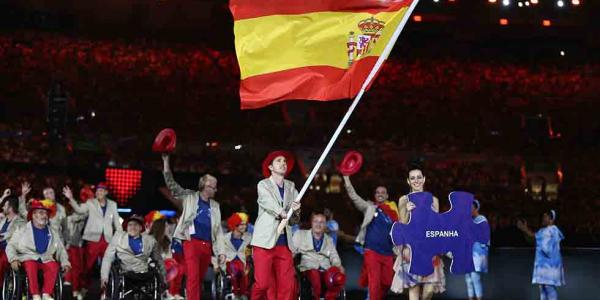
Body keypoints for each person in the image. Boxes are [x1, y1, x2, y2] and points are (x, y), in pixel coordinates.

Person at [162, 153, 225, 300]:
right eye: (213, 187)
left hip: (207, 245)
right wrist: (166, 162)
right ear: (205, 186)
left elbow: (219, 231)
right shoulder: (189, 197)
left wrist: (221, 251)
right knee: (193, 277)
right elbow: (171, 184)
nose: (216, 190)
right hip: (191, 242)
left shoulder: (216, 206)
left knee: (199, 278)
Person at [250, 150, 301, 300]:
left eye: (284, 161)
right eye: (278, 161)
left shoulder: (292, 187)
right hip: (264, 241)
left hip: (284, 243)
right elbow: (267, 202)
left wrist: (296, 212)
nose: (283, 163)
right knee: (263, 284)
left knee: (287, 286)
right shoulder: (263, 185)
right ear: (270, 167)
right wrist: (281, 211)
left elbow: (294, 220)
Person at [393, 165, 445, 300]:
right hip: (411, 249)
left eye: (419, 177)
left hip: (429, 249)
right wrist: (407, 211)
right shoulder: (404, 200)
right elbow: (402, 225)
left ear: (424, 179)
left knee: (428, 291)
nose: (416, 180)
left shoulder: (434, 200)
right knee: (414, 290)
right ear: (408, 181)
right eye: (412, 178)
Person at [343, 174, 398, 300]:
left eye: (383, 192)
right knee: (374, 283)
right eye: (377, 192)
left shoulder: (394, 213)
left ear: (387, 196)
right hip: (371, 250)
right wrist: (346, 178)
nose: (380, 194)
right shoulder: (369, 208)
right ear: (375, 195)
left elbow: (399, 232)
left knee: (387, 282)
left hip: (388, 253)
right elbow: (354, 196)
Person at [6, 199, 71, 300]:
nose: (44, 216)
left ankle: (46, 294)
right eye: (41, 213)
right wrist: (13, 259)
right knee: (31, 265)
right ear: (33, 215)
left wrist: (65, 262)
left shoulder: (53, 232)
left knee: (54, 266)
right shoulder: (22, 229)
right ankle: (35, 294)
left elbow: (61, 250)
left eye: (46, 213)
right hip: (28, 257)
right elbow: (10, 246)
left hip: (45, 258)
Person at [63, 183, 121, 290]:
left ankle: (105, 290)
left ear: (106, 192)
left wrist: (120, 235)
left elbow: (116, 221)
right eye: (98, 191)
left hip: (107, 239)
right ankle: (84, 286)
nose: (99, 193)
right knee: (88, 267)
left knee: (107, 266)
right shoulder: (91, 203)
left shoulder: (113, 204)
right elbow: (79, 210)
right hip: (93, 239)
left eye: (102, 191)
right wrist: (71, 198)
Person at [100, 214, 167, 291]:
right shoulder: (118, 238)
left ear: (141, 228)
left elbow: (158, 260)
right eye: (130, 225)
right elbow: (108, 257)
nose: (133, 227)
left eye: (136, 225)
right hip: (126, 271)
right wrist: (104, 277)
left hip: (144, 272)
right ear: (126, 227)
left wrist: (164, 278)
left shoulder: (150, 241)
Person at [293, 212, 345, 300]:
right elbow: (292, 252)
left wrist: (338, 267)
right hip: (307, 269)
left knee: (339, 277)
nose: (318, 224)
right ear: (311, 223)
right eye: (316, 221)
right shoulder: (300, 235)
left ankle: (329, 297)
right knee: (314, 274)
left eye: (321, 222)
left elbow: (334, 256)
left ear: (325, 225)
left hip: (325, 270)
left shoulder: (329, 240)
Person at [517, 210, 565, 300]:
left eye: (545, 217)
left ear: (551, 219)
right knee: (542, 288)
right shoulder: (543, 230)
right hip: (543, 266)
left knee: (549, 288)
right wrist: (525, 229)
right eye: (543, 217)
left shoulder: (553, 230)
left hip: (550, 266)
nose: (543, 219)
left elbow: (541, 243)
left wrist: (525, 229)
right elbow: (534, 237)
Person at [63, 186, 91, 300]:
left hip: (83, 245)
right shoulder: (65, 219)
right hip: (72, 246)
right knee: (75, 269)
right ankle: (75, 290)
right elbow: (64, 232)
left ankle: (81, 288)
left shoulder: (83, 216)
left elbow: (83, 214)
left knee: (83, 270)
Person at [223, 212, 252, 299]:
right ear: (234, 225)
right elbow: (220, 252)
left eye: (245, 224)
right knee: (235, 267)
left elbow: (251, 252)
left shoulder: (249, 237)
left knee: (245, 270)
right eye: (241, 224)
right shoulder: (225, 238)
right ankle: (236, 293)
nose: (244, 226)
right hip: (229, 262)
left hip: (244, 262)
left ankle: (243, 293)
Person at [464, 200, 489, 300]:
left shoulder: (482, 219)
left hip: (478, 254)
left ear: (475, 208)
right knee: (468, 279)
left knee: (475, 278)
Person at [0, 190, 27, 284]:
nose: (2, 207)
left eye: (5, 205)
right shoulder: (3, 220)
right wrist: (3, 196)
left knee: (1, 262)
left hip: (11, 251)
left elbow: (13, 235)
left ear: (10, 207)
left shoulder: (20, 222)